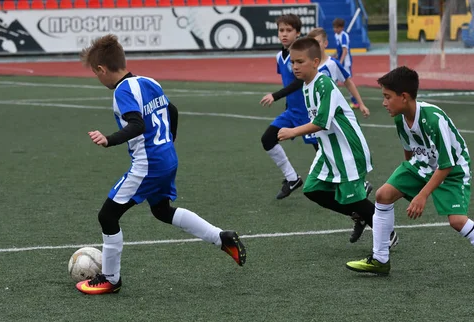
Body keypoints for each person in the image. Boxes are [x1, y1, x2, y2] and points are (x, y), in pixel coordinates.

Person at [76, 35, 246, 295]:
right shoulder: (149, 81)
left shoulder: (123, 90)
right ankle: (221, 238)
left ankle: (111, 279)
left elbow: (137, 125)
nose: (98, 79)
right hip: (167, 158)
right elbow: (173, 110)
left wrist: (109, 140)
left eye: (95, 74)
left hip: (149, 165)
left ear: (101, 69)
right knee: (162, 210)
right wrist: (169, 138)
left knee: (107, 216)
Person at [347, 66, 472, 275]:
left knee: (457, 221)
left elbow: (447, 164)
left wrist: (422, 195)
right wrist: (406, 181)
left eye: (387, 97)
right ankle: (380, 259)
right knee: (383, 195)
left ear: (404, 97)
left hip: (452, 170)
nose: (384, 103)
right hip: (423, 163)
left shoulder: (434, 119)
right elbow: (409, 152)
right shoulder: (400, 119)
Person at [277, 37, 398, 246]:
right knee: (312, 189)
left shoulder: (324, 83)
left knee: (356, 199)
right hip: (328, 151)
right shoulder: (307, 86)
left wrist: (293, 131)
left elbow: (322, 122)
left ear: (315, 63)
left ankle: (387, 235)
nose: (294, 66)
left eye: (300, 62)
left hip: (348, 150)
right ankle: (358, 214)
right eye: (293, 62)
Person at [259, 14, 313, 200]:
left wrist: (275, 96)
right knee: (267, 139)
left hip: (310, 113)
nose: (284, 34)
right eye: (281, 30)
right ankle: (292, 178)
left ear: (297, 33)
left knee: (325, 152)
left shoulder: (300, 55)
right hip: (292, 112)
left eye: (289, 30)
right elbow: (289, 81)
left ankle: (356, 183)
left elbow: (299, 82)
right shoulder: (279, 56)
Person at [332, 18, 358, 108]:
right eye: (334, 27)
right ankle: (333, 100)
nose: (334, 29)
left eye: (336, 27)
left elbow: (345, 50)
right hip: (340, 61)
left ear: (341, 28)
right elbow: (339, 50)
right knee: (334, 79)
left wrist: (340, 62)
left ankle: (355, 102)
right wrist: (334, 55)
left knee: (347, 82)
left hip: (345, 63)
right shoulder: (336, 35)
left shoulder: (344, 36)